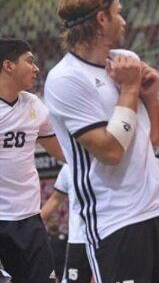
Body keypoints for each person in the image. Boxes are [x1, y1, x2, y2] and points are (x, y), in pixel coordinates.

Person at [43, 0, 159, 282]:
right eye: (118, 13)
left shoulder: (127, 62)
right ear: (102, 19)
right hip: (115, 219)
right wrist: (131, 88)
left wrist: (151, 97)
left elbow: (153, 140)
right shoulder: (65, 79)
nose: (123, 21)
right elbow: (111, 152)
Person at [0, 38, 66, 282]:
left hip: (29, 219)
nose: (36, 68)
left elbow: (64, 152)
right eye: (29, 61)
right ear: (8, 65)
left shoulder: (34, 105)